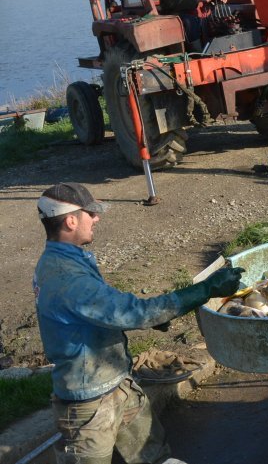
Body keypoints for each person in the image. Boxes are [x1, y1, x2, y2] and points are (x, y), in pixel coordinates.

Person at [33, 182, 243, 464]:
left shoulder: (63, 260)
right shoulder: (66, 277)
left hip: (117, 383)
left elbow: (102, 307)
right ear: (71, 220)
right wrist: (205, 290)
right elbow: (130, 311)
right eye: (91, 213)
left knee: (155, 457)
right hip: (89, 405)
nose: (97, 218)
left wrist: (153, 317)